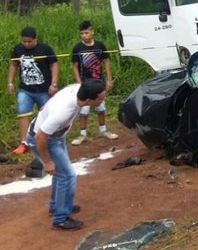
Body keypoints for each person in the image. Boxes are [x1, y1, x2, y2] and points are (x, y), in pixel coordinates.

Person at [26, 79, 107, 230]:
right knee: (67, 175)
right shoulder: (64, 111)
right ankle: (60, 218)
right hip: (43, 139)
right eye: (101, 98)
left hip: (55, 136)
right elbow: (40, 137)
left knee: (61, 173)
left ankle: (56, 206)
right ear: (89, 99)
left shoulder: (78, 89)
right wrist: (47, 162)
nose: (103, 99)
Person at [7, 26, 59, 154]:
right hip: (25, 89)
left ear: (35, 39)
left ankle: (49, 140)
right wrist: (10, 82)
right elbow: (14, 65)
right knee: (22, 113)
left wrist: (54, 84)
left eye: (29, 41)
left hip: (43, 90)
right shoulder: (17, 49)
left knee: (48, 115)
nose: (26, 44)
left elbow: (54, 65)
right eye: (24, 41)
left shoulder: (45, 49)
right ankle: (24, 143)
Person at [70, 21, 118, 145]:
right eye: (82, 33)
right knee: (84, 109)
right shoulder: (77, 48)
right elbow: (74, 66)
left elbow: (106, 62)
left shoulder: (100, 46)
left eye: (86, 32)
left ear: (92, 32)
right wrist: (79, 83)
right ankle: (82, 134)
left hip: (98, 82)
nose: (84, 36)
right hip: (85, 83)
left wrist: (108, 79)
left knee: (101, 106)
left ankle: (103, 130)